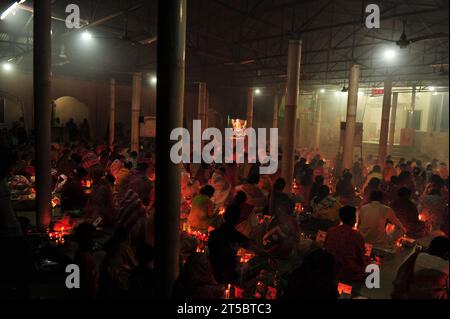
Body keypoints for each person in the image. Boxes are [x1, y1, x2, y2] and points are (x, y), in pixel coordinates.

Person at [325, 206, 369, 284]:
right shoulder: (356, 236)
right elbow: (361, 258)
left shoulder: (331, 231)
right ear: (353, 219)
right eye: (355, 217)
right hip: (347, 272)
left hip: (329, 267)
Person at [208, 205, 250, 284]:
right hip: (228, 274)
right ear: (238, 219)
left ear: (223, 216)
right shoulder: (239, 237)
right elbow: (250, 246)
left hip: (212, 272)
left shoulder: (213, 234)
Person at [73, 222, 98, 299]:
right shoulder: (85, 258)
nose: (94, 242)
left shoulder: (79, 253)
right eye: (92, 238)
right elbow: (85, 281)